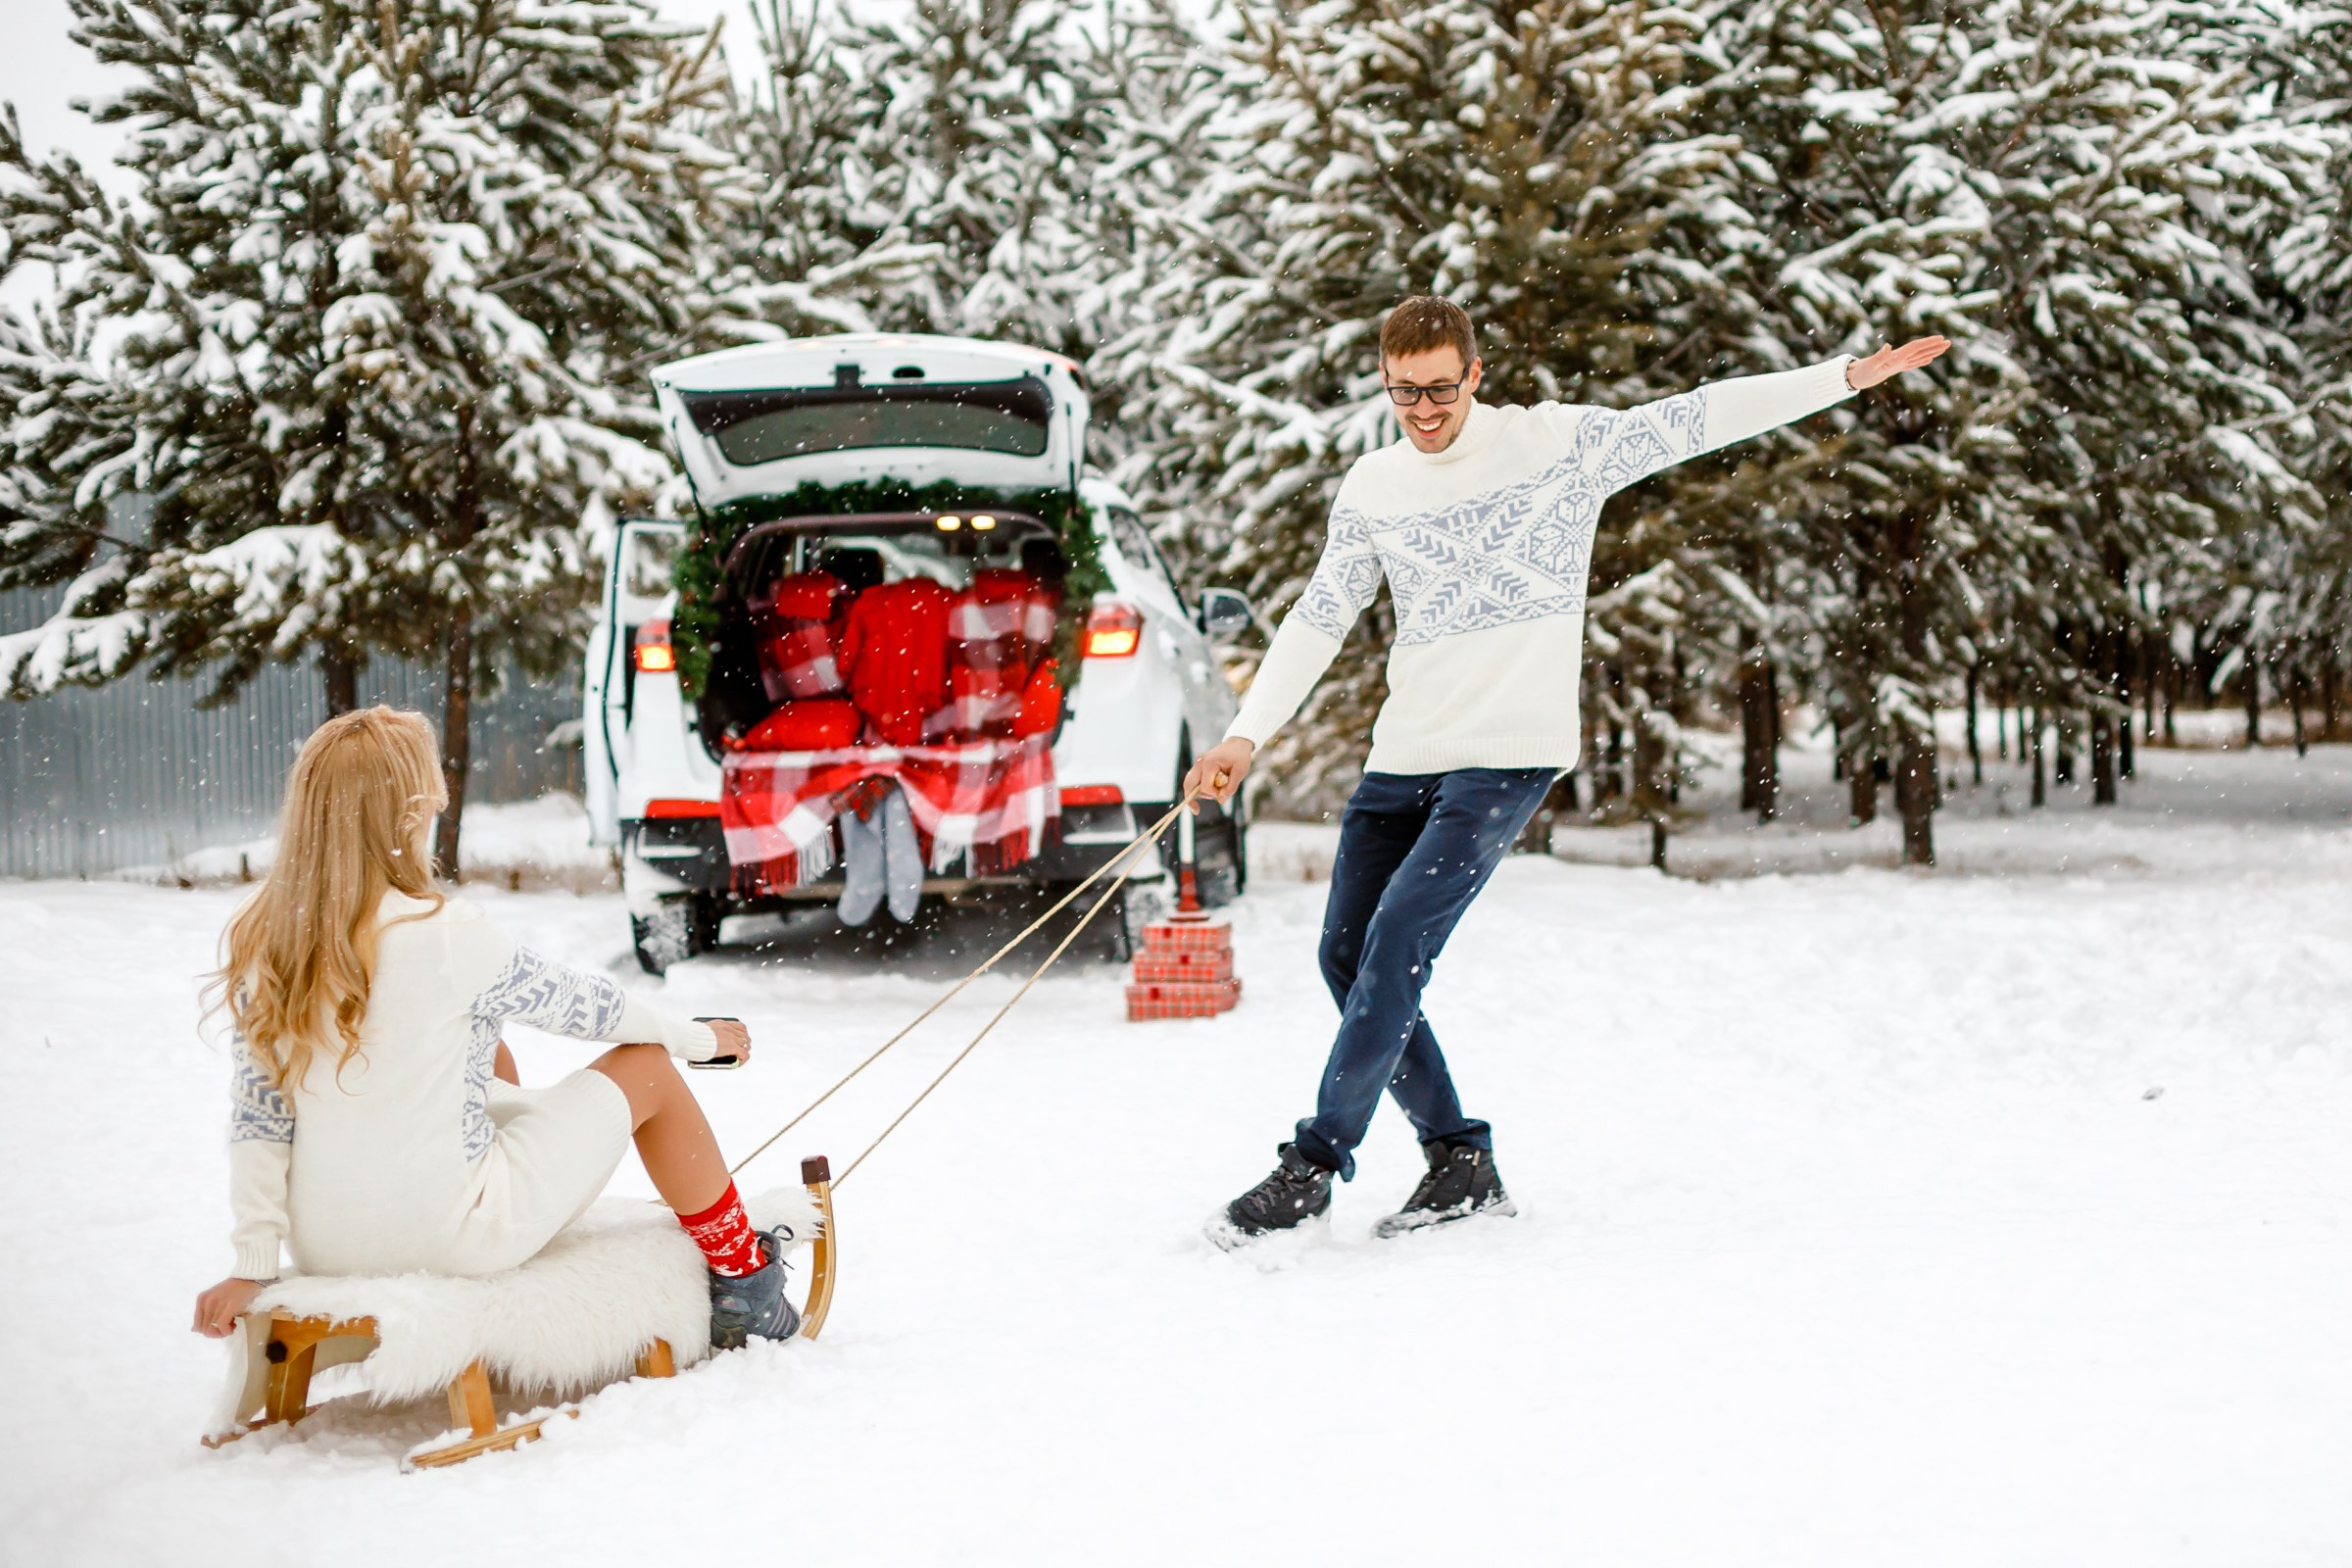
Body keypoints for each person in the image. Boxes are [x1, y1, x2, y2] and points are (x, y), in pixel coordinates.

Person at [1186, 297, 1949, 1243]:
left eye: (1438, 388)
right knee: (1346, 955)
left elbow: (1698, 416)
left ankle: (1311, 1169)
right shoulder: (1375, 484)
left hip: (1507, 755)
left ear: (1475, 375)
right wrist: (1245, 735)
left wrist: (1840, 378)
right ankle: (1461, 1160)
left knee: (1393, 949)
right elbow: (1320, 614)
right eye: (1402, 392)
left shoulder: (1558, 448)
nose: (1422, 410)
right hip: (1407, 750)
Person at [189, 708, 800, 1348]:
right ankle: (744, 1281)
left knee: (491, 1055)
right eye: (429, 804)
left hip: (326, 1245)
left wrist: (252, 1266)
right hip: (452, 1237)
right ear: (406, 819)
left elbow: (259, 1118)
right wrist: (701, 1040)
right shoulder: (444, 933)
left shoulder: (269, 944)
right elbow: (592, 1008)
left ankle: (547, 1207)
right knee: (648, 1066)